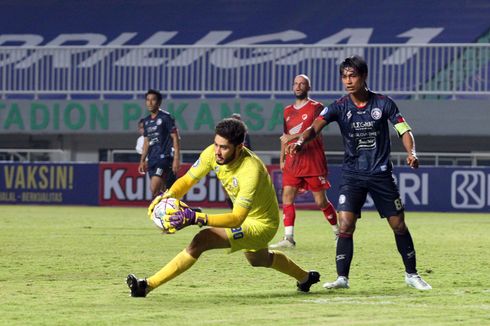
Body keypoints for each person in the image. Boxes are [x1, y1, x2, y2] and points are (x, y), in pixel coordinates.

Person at [127, 118, 320, 297]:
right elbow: (187, 180)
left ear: (239, 147)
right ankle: (305, 278)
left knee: (202, 240)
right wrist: (169, 195)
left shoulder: (251, 170)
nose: (217, 151)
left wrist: (197, 218)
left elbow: (237, 218)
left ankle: (145, 286)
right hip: (247, 219)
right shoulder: (213, 152)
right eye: (216, 144)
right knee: (259, 260)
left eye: (224, 148)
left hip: (262, 224)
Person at [286, 56, 432, 291]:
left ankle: (412, 274)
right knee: (345, 225)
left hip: (380, 174)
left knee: (398, 225)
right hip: (353, 175)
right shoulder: (339, 106)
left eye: (352, 75)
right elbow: (314, 127)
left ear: (363, 77)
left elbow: (403, 129)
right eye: (344, 76)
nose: (348, 81)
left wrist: (412, 152)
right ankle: (342, 278)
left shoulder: (384, 103)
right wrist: (301, 141)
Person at [270, 74, 338, 249]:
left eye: (302, 84)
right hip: (293, 161)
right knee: (287, 196)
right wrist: (282, 157)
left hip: (313, 160)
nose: (298, 86)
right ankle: (288, 238)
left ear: (308, 87)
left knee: (320, 201)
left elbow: (312, 129)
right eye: (296, 84)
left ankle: (338, 231)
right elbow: (285, 138)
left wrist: (291, 137)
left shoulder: (317, 107)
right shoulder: (286, 111)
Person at [138, 89, 180, 197]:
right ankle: (172, 211)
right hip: (152, 159)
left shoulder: (165, 117)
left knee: (154, 188)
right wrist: (142, 160)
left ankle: (157, 212)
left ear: (159, 102)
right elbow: (146, 142)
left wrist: (176, 159)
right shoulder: (146, 121)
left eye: (153, 100)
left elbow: (175, 138)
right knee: (165, 191)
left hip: (164, 158)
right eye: (147, 100)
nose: (150, 102)